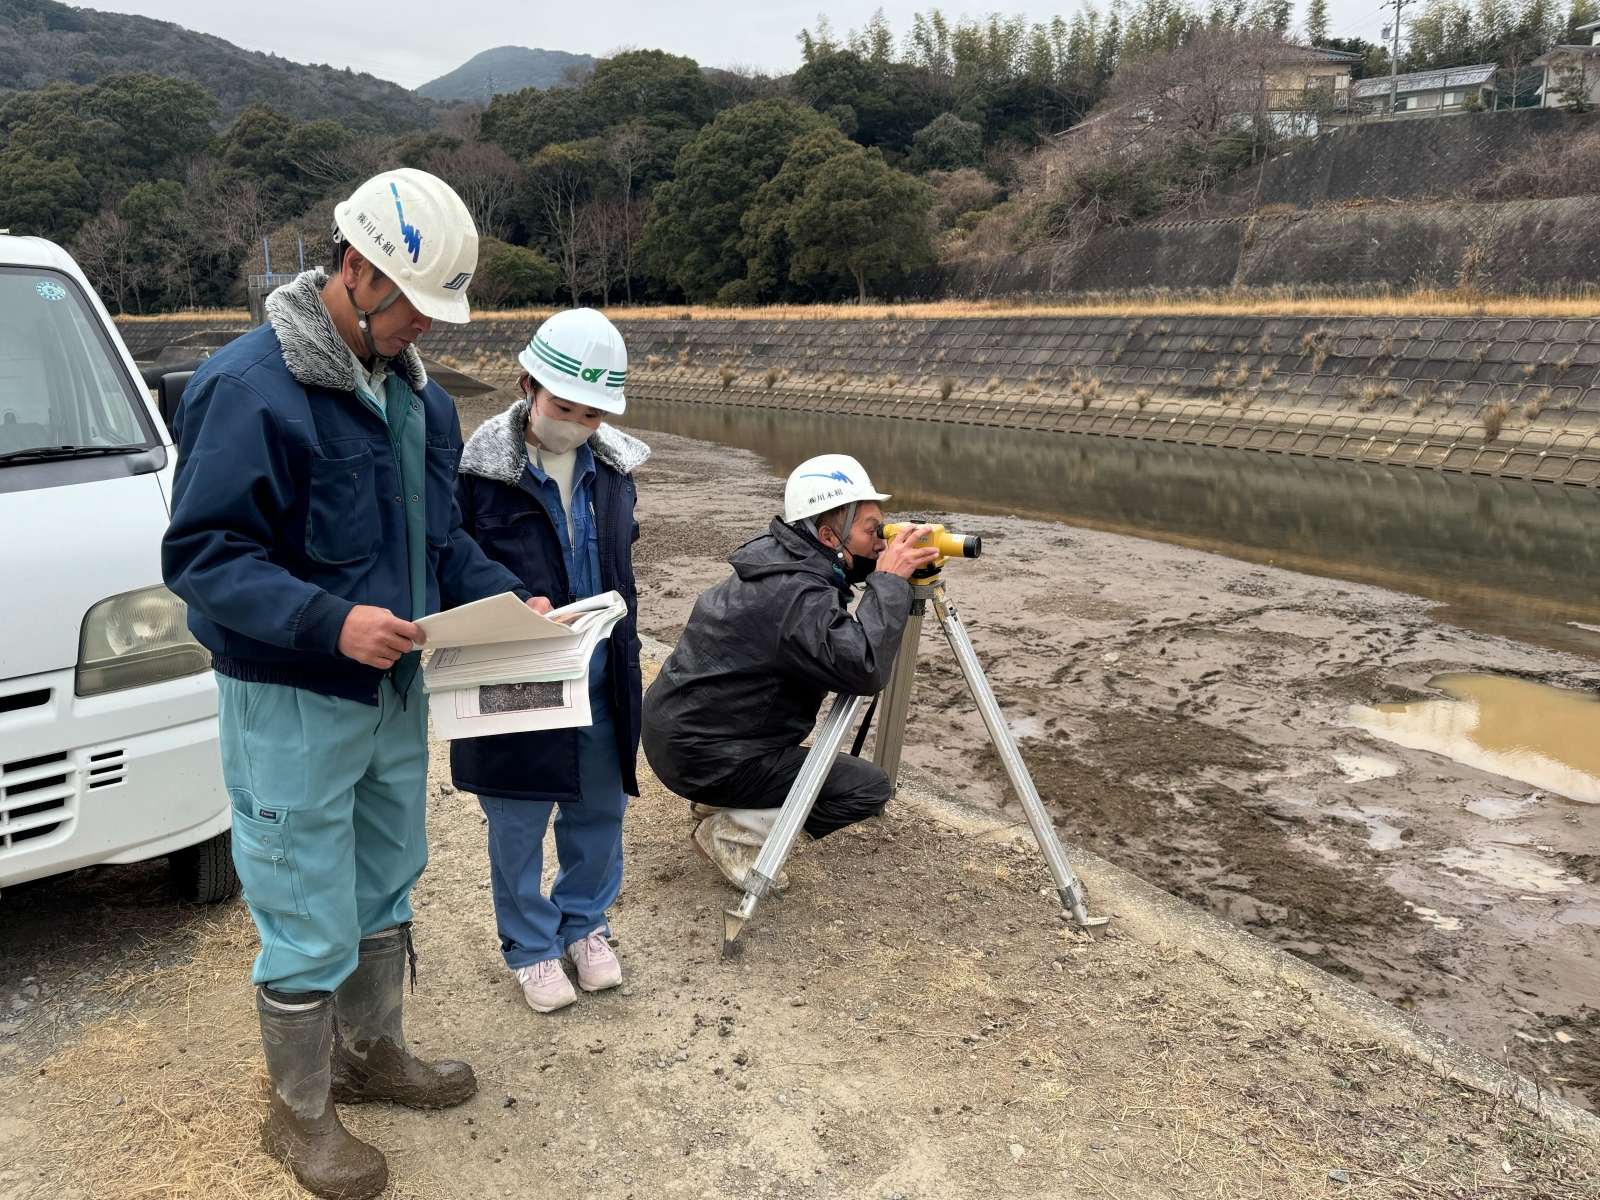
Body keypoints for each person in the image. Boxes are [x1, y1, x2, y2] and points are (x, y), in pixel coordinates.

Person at [163, 169, 543, 1200]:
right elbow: (202, 556)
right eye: (415, 302)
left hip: (395, 693)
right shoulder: (248, 388)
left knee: (389, 874)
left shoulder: (417, 397)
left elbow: (443, 541)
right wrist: (329, 621)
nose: (425, 326)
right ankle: (297, 1114)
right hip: (290, 695)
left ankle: (372, 1054)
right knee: (301, 903)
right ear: (358, 266)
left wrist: (513, 602)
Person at [452, 309, 648, 1014]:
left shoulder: (615, 470)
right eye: (564, 406)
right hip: (513, 673)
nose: (576, 422)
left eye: (593, 413)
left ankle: (585, 924)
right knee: (517, 819)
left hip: (600, 673)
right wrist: (509, 599)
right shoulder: (478, 472)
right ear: (528, 384)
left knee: (599, 810)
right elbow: (452, 557)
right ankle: (532, 948)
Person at [641, 454, 938, 889]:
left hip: (683, 739)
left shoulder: (780, 561)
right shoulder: (797, 595)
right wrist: (890, 583)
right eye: (874, 531)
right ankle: (733, 833)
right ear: (827, 534)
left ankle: (731, 802)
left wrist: (883, 566)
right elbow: (864, 667)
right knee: (867, 787)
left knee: (798, 759)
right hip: (706, 759)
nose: (882, 542)